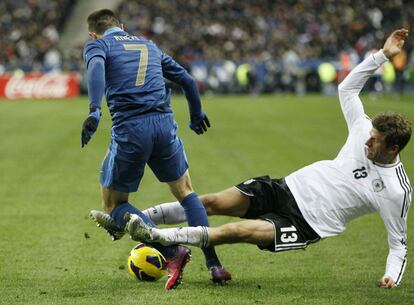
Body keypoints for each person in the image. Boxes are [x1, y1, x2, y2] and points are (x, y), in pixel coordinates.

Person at [126, 29, 412, 289]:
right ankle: (135, 219)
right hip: (284, 188)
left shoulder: (396, 190)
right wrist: (382, 55)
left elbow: (398, 245)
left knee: (236, 231)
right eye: (370, 133)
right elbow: (346, 89)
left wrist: (392, 276)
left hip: (305, 224)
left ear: (393, 148)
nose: (367, 140)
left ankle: (164, 239)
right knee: (211, 202)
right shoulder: (364, 130)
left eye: (375, 140)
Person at [81, 9, 230, 289]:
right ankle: (215, 265)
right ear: (122, 26)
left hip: (131, 129)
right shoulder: (148, 44)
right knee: (186, 192)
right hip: (164, 124)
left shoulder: (97, 45)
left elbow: (97, 68)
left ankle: (173, 251)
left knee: (114, 204)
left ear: (92, 34)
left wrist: (94, 111)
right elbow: (186, 79)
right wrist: (196, 114)